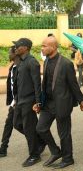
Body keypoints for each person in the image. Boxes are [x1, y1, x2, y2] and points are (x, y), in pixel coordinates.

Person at [35, 36, 83, 168]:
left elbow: (73, 85)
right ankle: (55, 151)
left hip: (62, 103)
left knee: (63, 133)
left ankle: (68, 158)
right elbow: (45, 83)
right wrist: (39, 101)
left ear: (53, 47)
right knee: (41, 128)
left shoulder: (66, 63)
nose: (41, 48)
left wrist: (82, 100)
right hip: (48, 104)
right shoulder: (47, 60)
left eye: (44, 46)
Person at [12, 38, 45, 167]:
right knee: (17, 124)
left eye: (18, 46)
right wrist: (15, 99)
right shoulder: (21, 62)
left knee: (29, 128)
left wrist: (38, 102)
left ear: (25, 48)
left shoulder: (32, 62)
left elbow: (37, 84)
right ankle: (41, 140)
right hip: (20, 100)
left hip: (29, 100)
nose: (15, 48)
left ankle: (34, 155)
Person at [0, 46, 19, 157]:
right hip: (14, 102)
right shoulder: (12, 67)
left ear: (15, 53)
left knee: (21, 125)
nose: (8, 54)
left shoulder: (20, 67)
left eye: (9, 52)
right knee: (9, 124)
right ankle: (3, 148)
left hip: (20, 101)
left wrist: (16, 100)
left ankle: (40, 141)